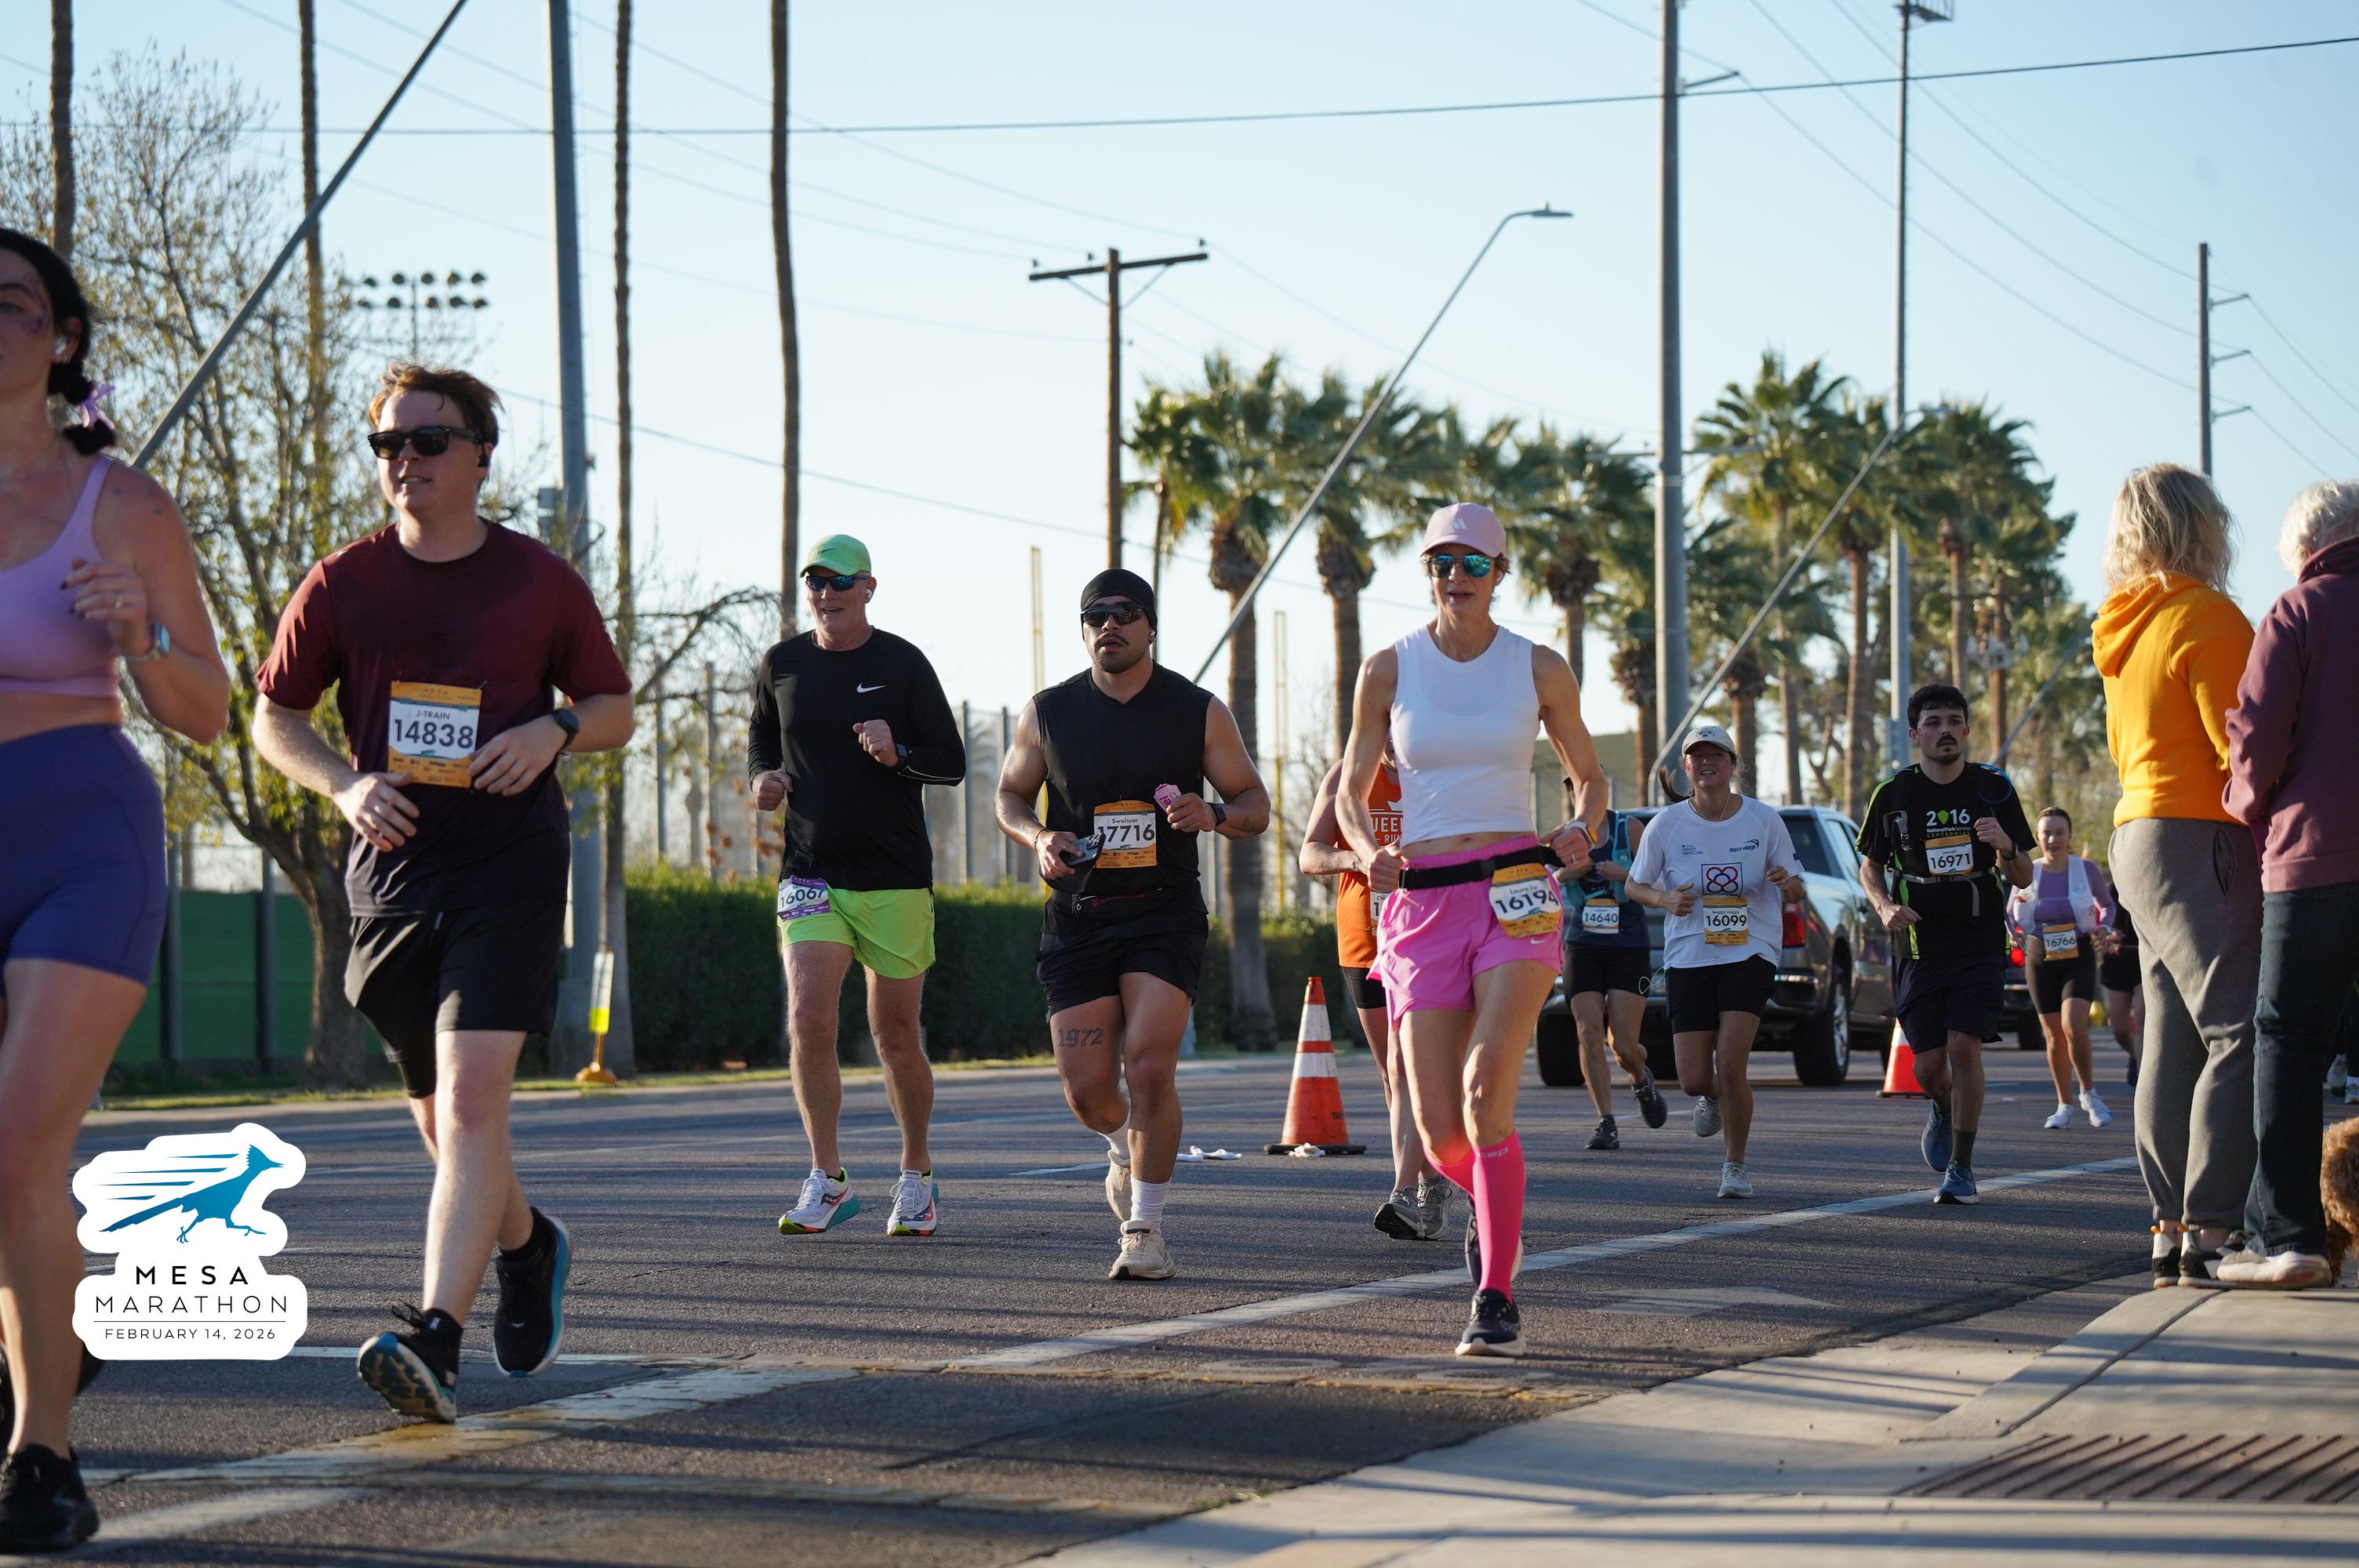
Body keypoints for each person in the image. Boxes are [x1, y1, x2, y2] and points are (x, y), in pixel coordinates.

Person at [254, 362, 634, 1421]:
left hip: (509, 868)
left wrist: (554, 727)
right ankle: (529, 1243)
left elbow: (613, 707)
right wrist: (343, 783)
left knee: (471, 1106)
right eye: (388, 444)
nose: (405, 460)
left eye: (427, 441)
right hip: (391, 880)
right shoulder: (343, 582)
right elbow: (274, 716)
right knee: (445, 1127)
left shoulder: (537, 580)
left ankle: (435, 1338)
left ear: (479, 456)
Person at [0, 227, 228, 1551]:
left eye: (11, 304)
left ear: (64, 340)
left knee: (21, 1144)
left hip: (80, 836)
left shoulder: (125, 505)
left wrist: (137, 630)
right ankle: (53, 1336)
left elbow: (205, 710)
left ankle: (42, 1456)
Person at [1338, 501, 1607, 1359]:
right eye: (1440, 562)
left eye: (1474, 563)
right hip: (1421, 904)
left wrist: (1581, 827)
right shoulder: (1388, 667)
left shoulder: (1538, 666)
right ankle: (1498, 1212)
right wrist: (1365, 850)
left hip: (1514, 892)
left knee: (1487, 1091)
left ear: (1500, 573)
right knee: (1438, 1129)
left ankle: (1495, 1294)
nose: (1456, 576)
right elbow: (1350, 788)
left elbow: (1591, 777)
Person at [994, 568, 1267, 1281]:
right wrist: (1038, 837)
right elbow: (1010, 794)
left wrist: (1214, 813)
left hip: (1163, 915)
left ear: (1150, 627)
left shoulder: (1196, 710)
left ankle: (1144, 1229)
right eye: (1095, 616)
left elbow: (1254, 803)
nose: (1108, 626)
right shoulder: (1048, 712)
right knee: (1087, 1092)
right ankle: (1123, 1145)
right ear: (1084, 631)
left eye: (1124, 613)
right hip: (1079, 917)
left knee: (1148, 1064)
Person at [749, 535, 966, 1239]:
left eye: (840, 581)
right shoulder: (781, 663)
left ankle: (916, 1175)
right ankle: (828, 1177)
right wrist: (763, 778)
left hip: (893, 877)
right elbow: (762, 738)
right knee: (808, 1019)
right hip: (809, 872)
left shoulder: (902, 663)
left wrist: (897, 754)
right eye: (815, 580)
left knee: (893, 1034)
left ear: (869, 588)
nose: (826, 592)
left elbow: (952, 762)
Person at [2090, 463, 2260, 1288]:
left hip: (2135, 834)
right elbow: (2242, 750)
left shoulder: (2122, 625)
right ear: (2202, 525)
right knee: (2240, 1027)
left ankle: (2168, 1225)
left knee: (2172, 1035)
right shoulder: (2207, 615)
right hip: (2201, 833)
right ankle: (2213, 1223)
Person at [2218, 480, 2359, 1289]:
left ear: (2307, 547)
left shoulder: (2296, 611)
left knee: (2289, 1040)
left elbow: (2257, 738)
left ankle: (2291, 1238)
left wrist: (2246, 805)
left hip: (2315, 859)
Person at [1855, 684, 2035, 1208]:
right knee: (1930, 1068)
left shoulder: (1992, 787)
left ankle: (1962, 1166)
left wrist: (2005, 847)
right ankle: (1940, 1105)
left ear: (1968, 730)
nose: (1946, 731)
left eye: (1955, 721)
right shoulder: (1893, 794)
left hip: (1978, 939)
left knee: (1964, 1047)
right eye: (1933, 723)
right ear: (1915, 735)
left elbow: (2023, 875)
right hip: (1917, 942)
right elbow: (1870, 867)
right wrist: (1884, 906)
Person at [1626, 728, 1805, 1201]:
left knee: (1730, 1062)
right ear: (1686, 767)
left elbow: (1797, 888)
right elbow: (1634, 885)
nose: (1706, 763)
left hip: (1750, 950)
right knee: (1692, 1080)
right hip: (1690, 954)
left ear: (1732, 764)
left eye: (1716, 755)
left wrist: (1785, 882)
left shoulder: (1763, 819)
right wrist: (1664, 898)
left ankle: (1735, 1166)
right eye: (1697, 756)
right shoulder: (1666, 824)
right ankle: (1710, 1096)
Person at [1300, 744, 1446, 1240]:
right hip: (1364, 942)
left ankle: (1407, 1193)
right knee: (1391, 1074)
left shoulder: (1439, 770)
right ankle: (1431, 1182)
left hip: (1426, 936)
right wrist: (1357, 858)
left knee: (1409, 1068)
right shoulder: (1347, 775)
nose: (1389, 738)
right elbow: (1309, 854)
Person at [1557, 793, 1667, 1150]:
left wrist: (1626, 875)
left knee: (1623, 1045)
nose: (1583, 794)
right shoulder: (1563, 836)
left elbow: (1662, 879)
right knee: (1588, 1032)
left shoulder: (1629, 829)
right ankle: (1606, 1122)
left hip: (1628, 947)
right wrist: (1565, 874)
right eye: (1575, 788)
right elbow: (1542, 879)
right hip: (1583, 945)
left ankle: (1640, 1078)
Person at [2005, 807, 2119, 1131]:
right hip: (2039, 955)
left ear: (2069, 836)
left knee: (2073, 1025)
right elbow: (2010, 912)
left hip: (2078, 952)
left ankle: (2089, 1094)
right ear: (2038, 837)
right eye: (2046, 834)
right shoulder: (2028, 870)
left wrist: (2105, 927)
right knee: (2053, 1036)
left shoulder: (2085, 870)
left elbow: (2107, 905)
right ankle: (2064, 1105)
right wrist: (2013, 931)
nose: (2052, 839)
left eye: (2059, 833)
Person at [2098, 898, 2144, 1090]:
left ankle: (2144, 1077)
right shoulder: (2112, 889)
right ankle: (2135, 1055)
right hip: (2117, 958)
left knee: (2142, 1019)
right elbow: (2100, 913)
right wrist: (2107, 932)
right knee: (2120, 1029)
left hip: (2145, 957)